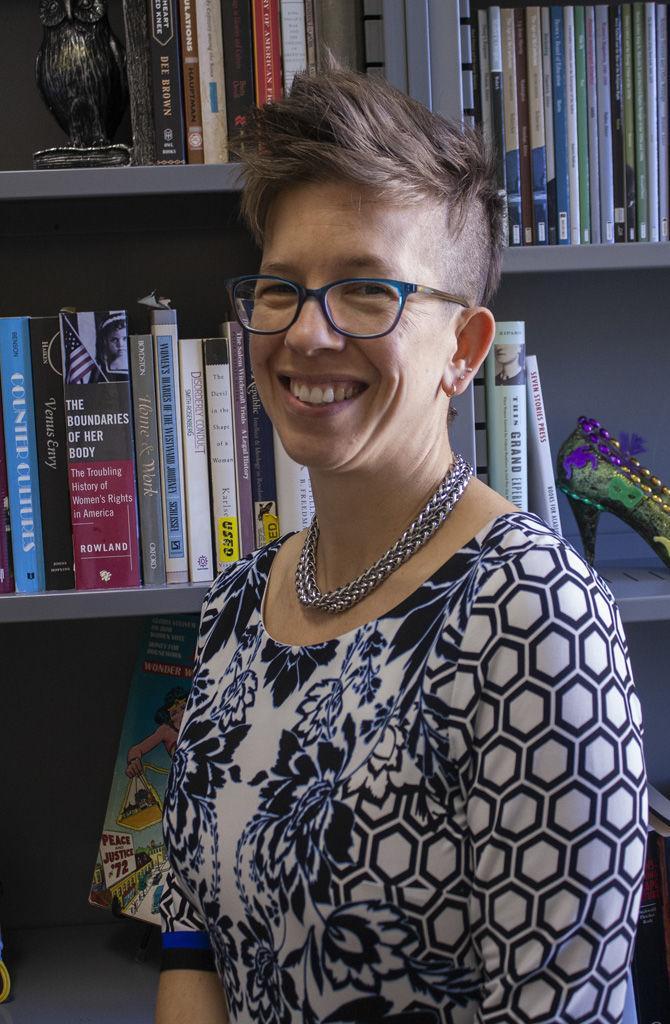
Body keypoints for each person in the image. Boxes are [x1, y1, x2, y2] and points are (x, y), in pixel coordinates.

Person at [155, 65, 647, 1024]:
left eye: (366, 292)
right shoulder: (232, 608)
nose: (308, 333)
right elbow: (191, 938)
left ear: (463, 349)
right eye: (281, 288)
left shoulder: (540, 627)